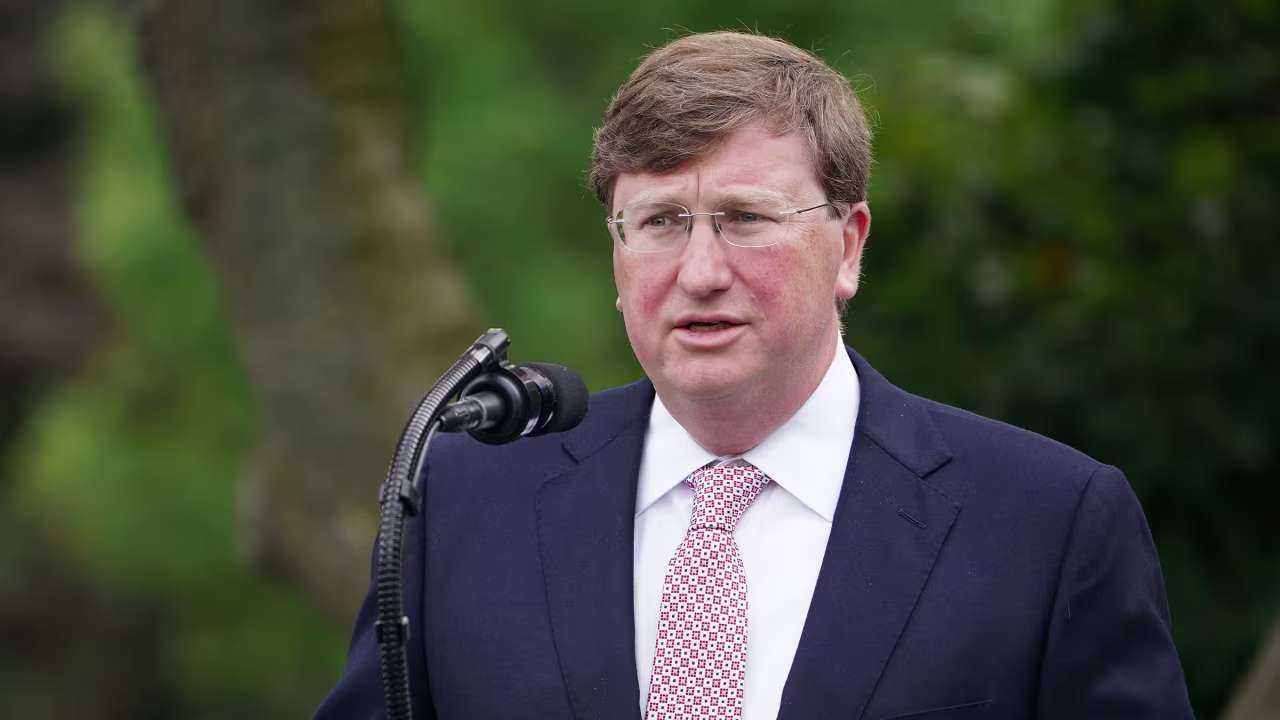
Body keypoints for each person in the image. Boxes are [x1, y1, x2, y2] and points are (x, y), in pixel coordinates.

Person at [315, 31, 1193, 720]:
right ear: (616, 255)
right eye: (660, 221)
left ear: (848, 245)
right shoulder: (463, 503)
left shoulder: (1048, 522)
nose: (699, 270)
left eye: (744, 219)